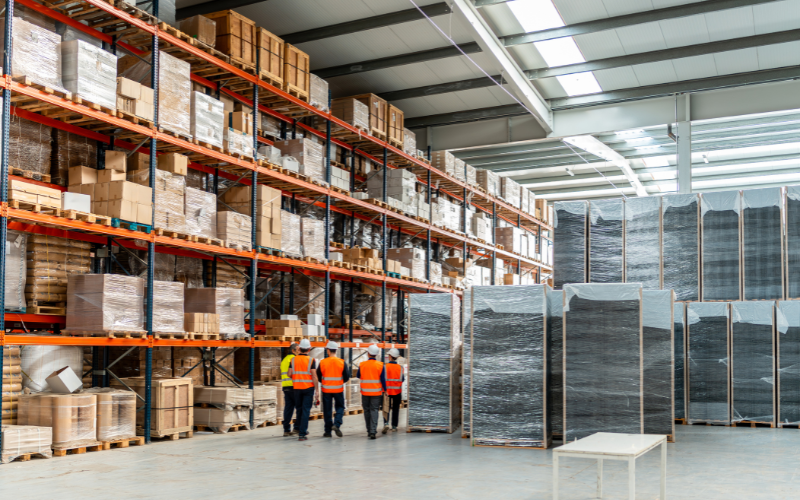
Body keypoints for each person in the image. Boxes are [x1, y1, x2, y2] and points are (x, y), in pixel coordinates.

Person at [287, 339, 319, 441]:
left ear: (299, 348)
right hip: (308, 388)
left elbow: (289, 374)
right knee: (306, 410)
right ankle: (302, 433)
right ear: (309, 349)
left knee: (299, 410)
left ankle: (300, 429)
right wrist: (317, 390)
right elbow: (314, 376)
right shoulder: (311, 360)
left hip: (297, 388)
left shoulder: (293, 360)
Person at [317, 340, 350, 438]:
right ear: (336, 350)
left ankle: (327, 432)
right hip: (338, 390)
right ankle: (336, 424)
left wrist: (325, 382)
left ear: (328, 350)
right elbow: (347, 376)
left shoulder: (323, 362)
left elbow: (318, 376)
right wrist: (339, 382)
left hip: (326, 390)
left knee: (327, 410)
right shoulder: (342, 362)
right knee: (340, 407)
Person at [357, 344, 386, 439]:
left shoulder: (362, 364)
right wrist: (385, 390)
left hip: (365, 392)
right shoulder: (381, 365)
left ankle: (369, 430)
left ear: (368, 353)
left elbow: (358, 375)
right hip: (376, 393)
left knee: (366, 410)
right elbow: (383, 380)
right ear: (376, 354)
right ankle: (373, 431)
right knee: (374, 410)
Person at [382, 348, 405, 434]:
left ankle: (386, 423)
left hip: (387, 392)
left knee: (386, 408)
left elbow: (383, 379)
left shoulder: (385, 367)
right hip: (397, 392)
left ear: (391, 356)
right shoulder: (400, 368)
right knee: (395, 409)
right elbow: (402, 379)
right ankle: (394, 426)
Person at [280, 342, 300, 437]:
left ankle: (286, 430)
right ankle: (296, 428)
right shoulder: (294, 359)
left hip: (285, 387)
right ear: (293, 351)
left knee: (288, 408)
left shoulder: (284, 360)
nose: (299, 351)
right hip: (294, 386)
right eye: (298, 350)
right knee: (299, 408)